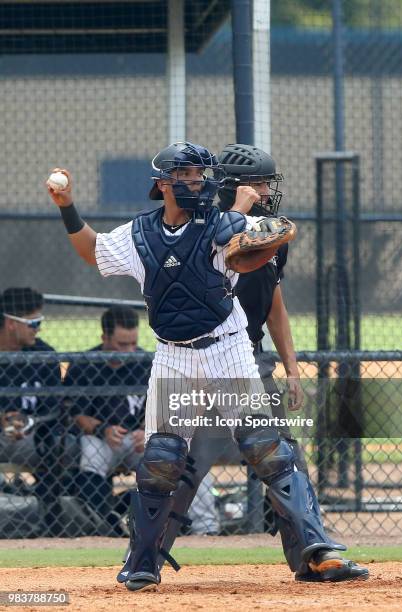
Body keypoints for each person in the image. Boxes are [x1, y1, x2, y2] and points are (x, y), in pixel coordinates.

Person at [46, 142, 368, 592]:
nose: (197, 182)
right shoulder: (139, 235)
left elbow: (269, 234)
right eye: (187, 176)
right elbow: (92, 251)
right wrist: (66, 206)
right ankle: (141, 563)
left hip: (229, 349)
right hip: (173, 356)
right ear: (163, 184)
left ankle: (320, 549)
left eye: (200, 175)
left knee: (268, 450)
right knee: (160, 461)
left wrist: (248, 223)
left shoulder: (219, 223)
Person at [63, 305, 150, 536]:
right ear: (104, 337)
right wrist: (102, 429)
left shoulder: (145, 362)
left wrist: (147, 430)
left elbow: (160, 407)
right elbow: (75, 413)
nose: (130, 350)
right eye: (122, 344)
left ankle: (150, 519)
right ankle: (103, 524)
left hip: (136, 438)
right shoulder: (85, 364)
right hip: (100, 437)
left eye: (133, 343)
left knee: (162, 458)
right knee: (92, 452)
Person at [0, 287, 75, 535]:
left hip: (30, 437)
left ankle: (49, 520)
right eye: (33, 322)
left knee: (63, 443)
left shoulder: (44, 355)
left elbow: (54, 409)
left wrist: (30, 421)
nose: (38, 328)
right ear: (11, 323)